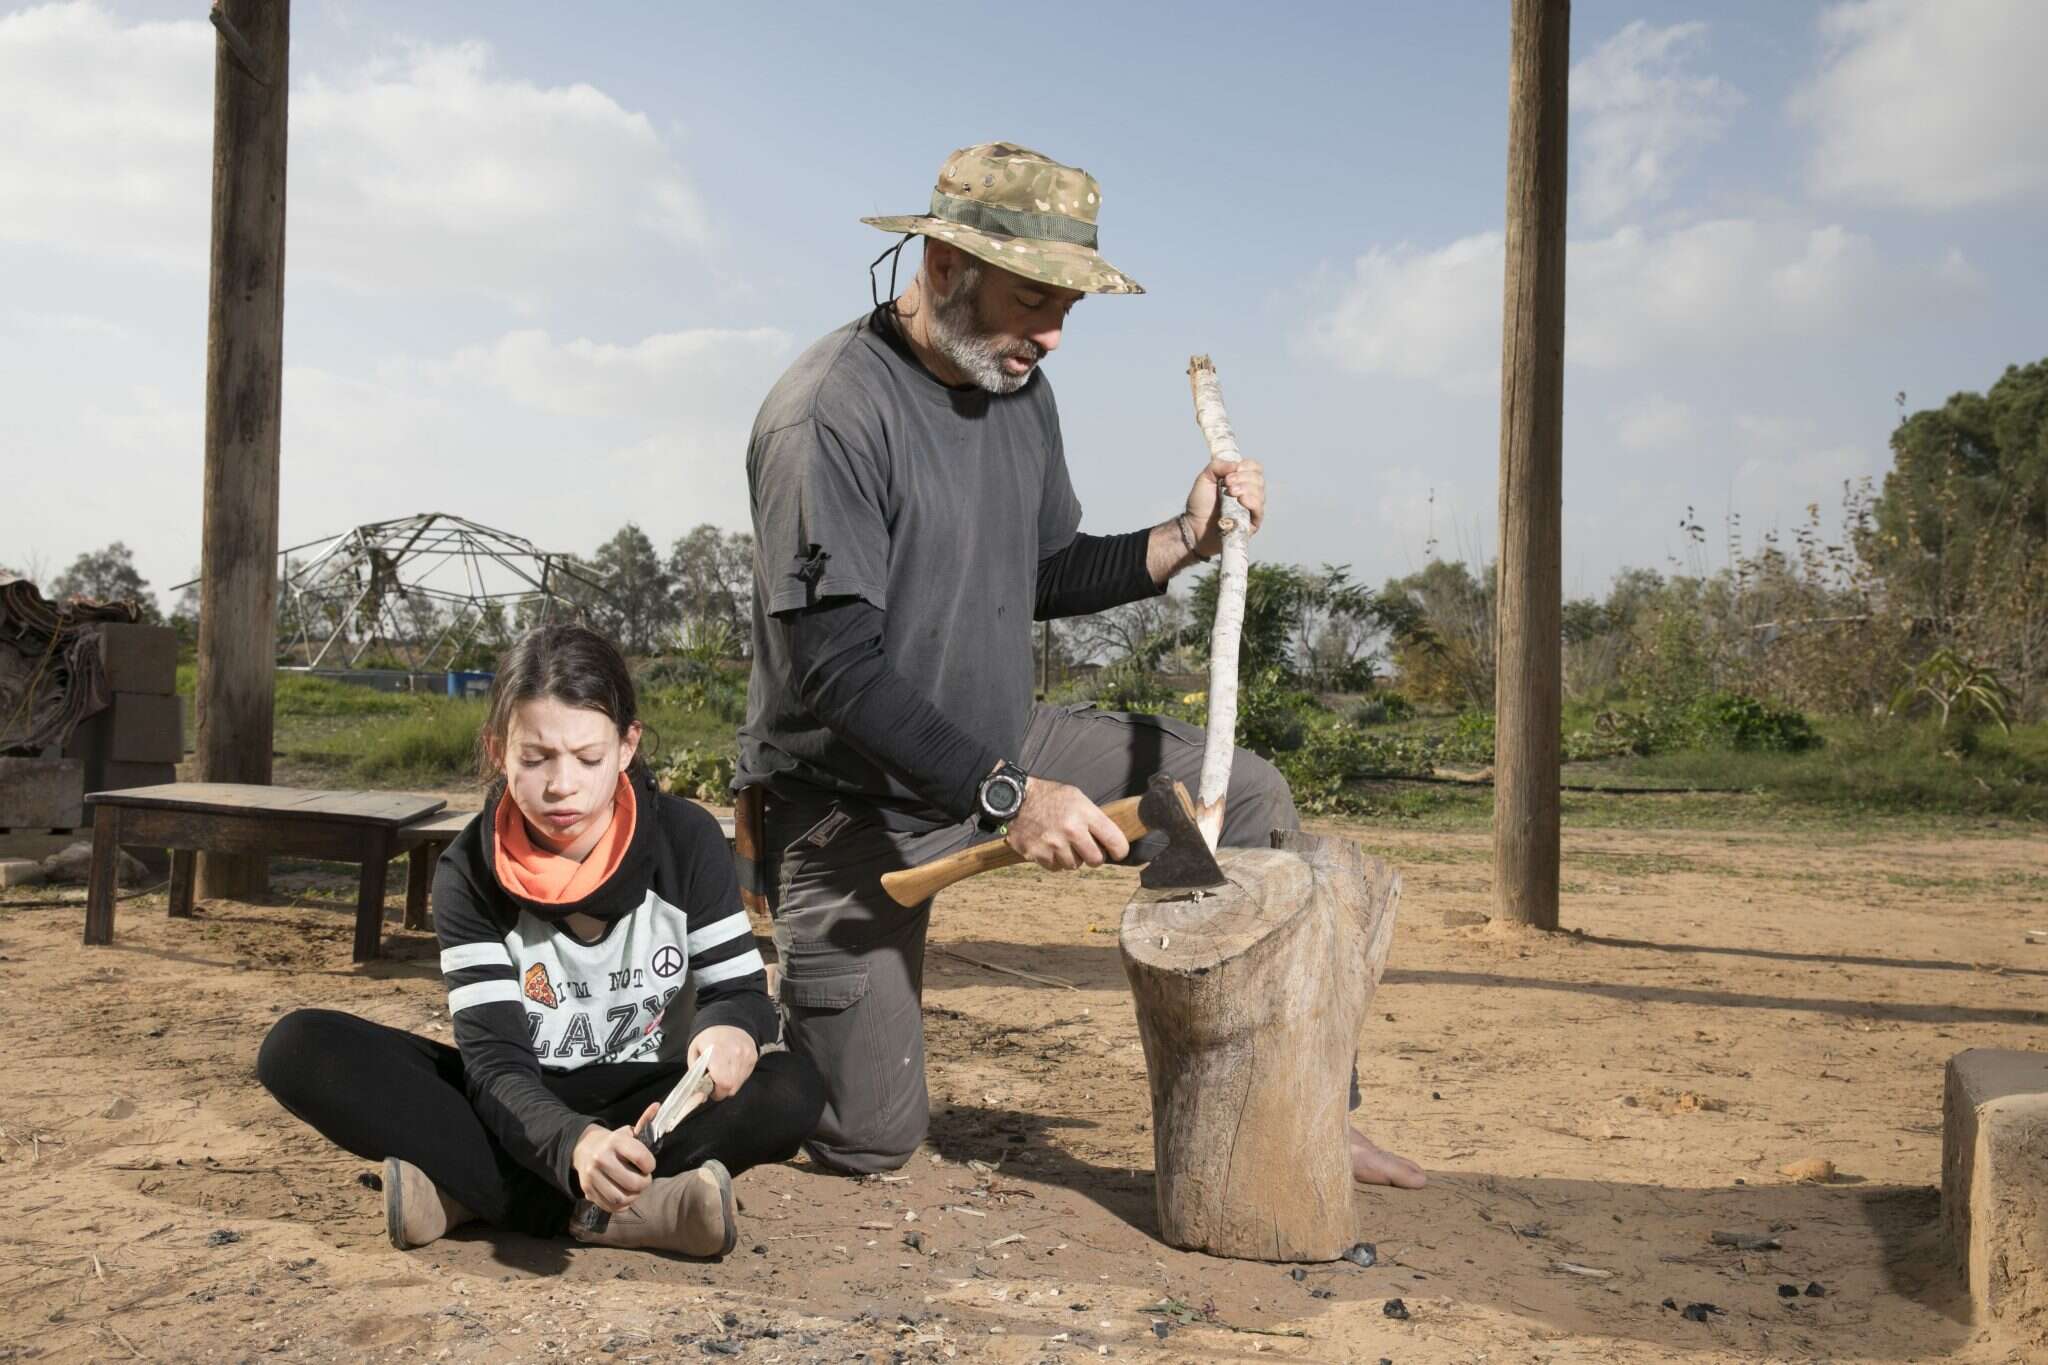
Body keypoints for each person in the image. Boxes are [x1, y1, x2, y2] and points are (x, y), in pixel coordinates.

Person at [737, 142, 1423, 1189]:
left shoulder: (1017, 386)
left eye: (1067, 309)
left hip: (995, 738)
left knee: (1239, 799)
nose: (1050, 337)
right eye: (1030, 302)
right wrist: (1009, 794)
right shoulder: (830, 410)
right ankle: (723, 1025)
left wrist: (1182, 538)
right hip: (849, 799)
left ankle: (1297, 1095)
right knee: (869, 1139)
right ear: (939, 270)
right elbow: (831, 669)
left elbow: (1044, 570)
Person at [258, 624, 823, 1255]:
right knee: (299, 1048)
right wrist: (575, 1144)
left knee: (793, 1086)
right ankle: (623, 1212)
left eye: (588, 758)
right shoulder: (468, 871)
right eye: (535, 759)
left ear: (627, 746)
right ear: (498, 750)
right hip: (521, 1101)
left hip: (651, 1105)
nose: (562, 786)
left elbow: (739, 989)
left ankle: (465, 1194)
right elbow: (495, 1066)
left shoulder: (685, 839)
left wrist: (731, 1030)